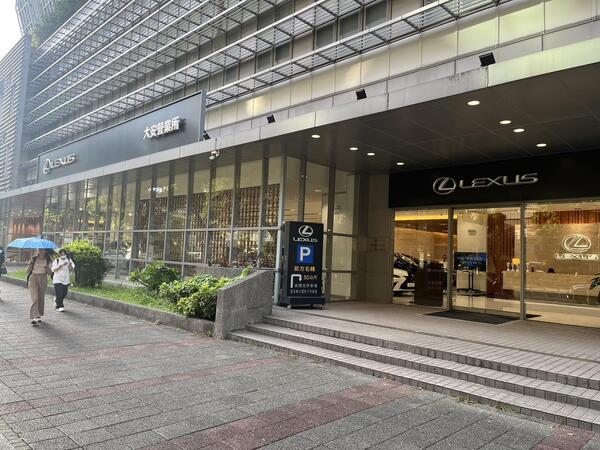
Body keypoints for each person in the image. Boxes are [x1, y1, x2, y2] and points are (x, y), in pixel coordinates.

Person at [26, 249, 53, 326]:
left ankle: (38, 315)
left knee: (41, 298)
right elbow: (27, 271)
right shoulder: (34, 258)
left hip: (43, 279)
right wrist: (30, 264)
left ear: (45, 251)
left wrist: (47, 268)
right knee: (35, 298)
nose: (40, 251)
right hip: (33, 278)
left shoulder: (48, 260)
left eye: (42, 249)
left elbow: (50, 273)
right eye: (39, 249)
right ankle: (34, 317)